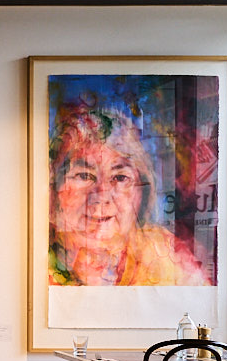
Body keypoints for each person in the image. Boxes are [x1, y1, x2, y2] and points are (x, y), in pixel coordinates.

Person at [48, 105, 211, 287]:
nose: (102, 195)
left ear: (141, 194)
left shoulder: (167, 256)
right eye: (84, 175)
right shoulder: (31, 261)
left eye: (120, 178)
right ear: (54, 190)